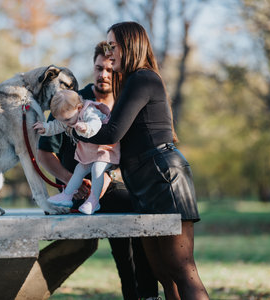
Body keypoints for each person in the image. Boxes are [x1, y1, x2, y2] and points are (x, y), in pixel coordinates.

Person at [74, 22, 210, 299]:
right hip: (143, 183)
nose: (109, 53)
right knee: (161, 272)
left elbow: (112, 133)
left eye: (114, 46)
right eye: (108, 46)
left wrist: (74, 127)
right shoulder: (130, 82)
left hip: (164, 179)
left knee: (182, 270)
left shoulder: (143, 79)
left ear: (130, 45)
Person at [37, 41, 160, 299]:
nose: (103, 74)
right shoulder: (71, 103)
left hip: (120, 184)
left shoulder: (128, 104)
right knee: (125, 251)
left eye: (110, 69)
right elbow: (44, 154)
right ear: (92, 68)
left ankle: (147, 294)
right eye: (98, 68)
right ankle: (139, 294)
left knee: (140, 223)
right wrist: (73, 182)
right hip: (85, 188)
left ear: (119, 70)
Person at [33, 89, 120, 215]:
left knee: (97, 169)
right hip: (90, 151)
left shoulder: (89, 110)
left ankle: (93, 201)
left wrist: (86, 127)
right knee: (79, 169)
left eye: (67, 120)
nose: (66, 124)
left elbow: (95, 122)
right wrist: (45, 128)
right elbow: (57, 125)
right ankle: (67, 195)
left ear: (79, 108)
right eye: (63, 120)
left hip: (104, 150)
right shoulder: (69, 117)